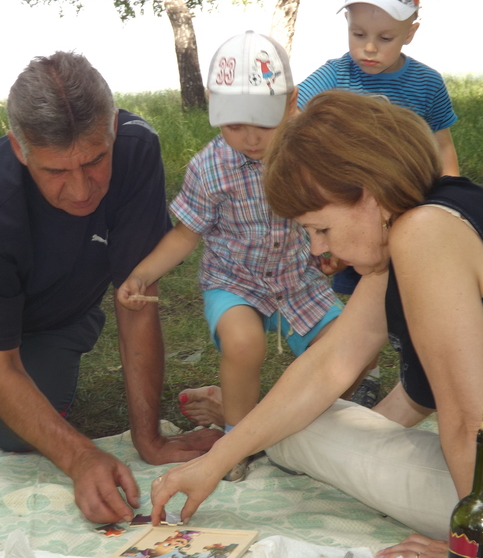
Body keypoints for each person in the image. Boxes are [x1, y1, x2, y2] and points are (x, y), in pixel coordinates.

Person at [0, 51, 221, 525]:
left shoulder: (138, 150)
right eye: (55, 171)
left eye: (95, 160)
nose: (81, 190)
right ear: (19, 147)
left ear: (113, 128)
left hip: (55, 314)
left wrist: (148, 439)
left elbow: (137, 300)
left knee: (20, 436)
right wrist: (80, 458)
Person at [149, 90, 483, 558]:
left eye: (321, 229)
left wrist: (471, 546)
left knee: (298, 430)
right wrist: (216, 461)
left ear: (369, 193)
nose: (317, 249)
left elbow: (470, 421)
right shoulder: (430, 215)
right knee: (295, 421)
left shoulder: (422, 235)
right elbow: (329, 365)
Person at [118, 32, 361, 483]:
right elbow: (185, 235)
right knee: (244, 343)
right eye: (234, 126)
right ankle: (236, 440)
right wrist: (142, 274)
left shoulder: (313, 157)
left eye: (263, 125)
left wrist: (335, 257)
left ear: (291, 103)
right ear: (213, 106)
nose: (250, 139)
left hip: (298, 280)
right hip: (235, 282)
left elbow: (333, 221)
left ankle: (291, 421)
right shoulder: (209, 168)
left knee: (351, 348)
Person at [296, 0, 461, 405]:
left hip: (409, 219)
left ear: (411, 33)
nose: (369, 48)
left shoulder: (426, 84)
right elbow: (295, 119)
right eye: (358, 34)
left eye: (385, 38)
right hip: (355, 221)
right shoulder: (333, 76)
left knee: (415, 303)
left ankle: (420, 378)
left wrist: (450, 203)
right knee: (359, 305)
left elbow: (442, 147)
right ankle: (363, 376)